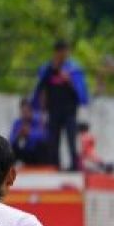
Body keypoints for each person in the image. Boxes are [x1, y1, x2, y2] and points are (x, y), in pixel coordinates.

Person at [31, 40, 90, 170]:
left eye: (65, 52)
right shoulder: (47, 69)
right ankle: (54, 166)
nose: (63, 55)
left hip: (69, 111)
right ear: (56, 53)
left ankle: (74, 167)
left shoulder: (74, 69)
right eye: (61, 52)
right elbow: (40, 88)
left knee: (71, 140)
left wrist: (69, 80)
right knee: (53, 141)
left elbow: (81, 91)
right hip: (53, 111)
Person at [9, 98, 46, 164]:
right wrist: (19, 134)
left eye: (26, 111)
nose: (25, 114)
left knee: (41, 146)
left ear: (31, 111)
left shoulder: (38, 121)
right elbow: (11, 139)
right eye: (23, 112)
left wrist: (29, 133)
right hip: (24, 152)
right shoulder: (17, 123)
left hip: (35, 152)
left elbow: (44, 136)